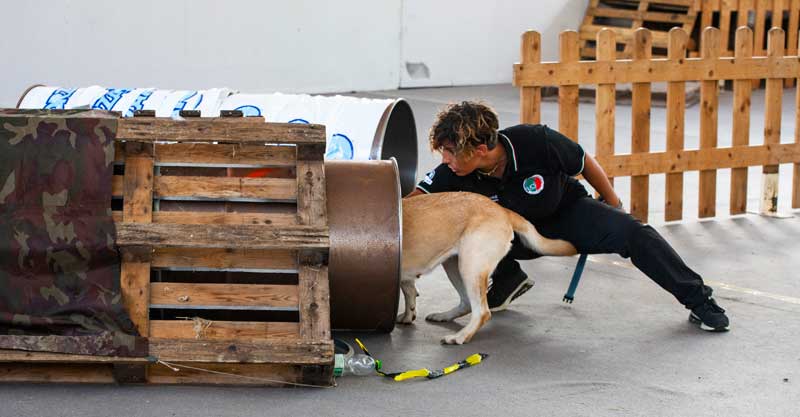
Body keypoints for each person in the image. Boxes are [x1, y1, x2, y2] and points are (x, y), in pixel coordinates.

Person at [406, 101, 729, 332]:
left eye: (450, 151)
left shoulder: (535, 141)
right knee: (464, 234)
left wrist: (613, 204)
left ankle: (700, 301)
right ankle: (507, 278)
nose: (444, 159)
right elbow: (413, 205)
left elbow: (583, 162)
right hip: (512, 236)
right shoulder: (451, 173)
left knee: (634, 233)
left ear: (479, 148)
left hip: (566, 214)